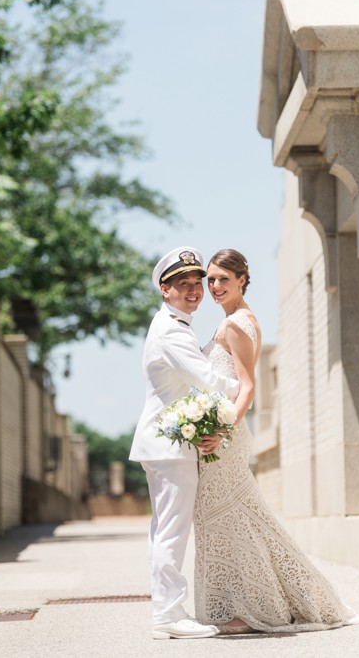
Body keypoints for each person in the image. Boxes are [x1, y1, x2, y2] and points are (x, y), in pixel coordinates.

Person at [192, 249, 359, 635]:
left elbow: (247, 388)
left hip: (225, 437)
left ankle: (254, 608)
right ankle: (254, 602)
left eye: (222, 279)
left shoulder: (235, 325)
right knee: (239, 519)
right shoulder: (243, 319)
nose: (215, 286)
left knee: (227, 519)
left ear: (241, 280)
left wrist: (222, 431)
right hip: (221, 435)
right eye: (211, 280)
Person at [128, 247, 239, 640]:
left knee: (165, 530)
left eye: (197, 283)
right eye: (183, 284)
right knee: (172, 531)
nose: (193, 291)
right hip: (168, 445)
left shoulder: (174, 324)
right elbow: (206, 378)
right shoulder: (171, 330)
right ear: (164, 289)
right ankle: (169, 616)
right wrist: (246, 390)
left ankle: (167, 610)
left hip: (165, 443)